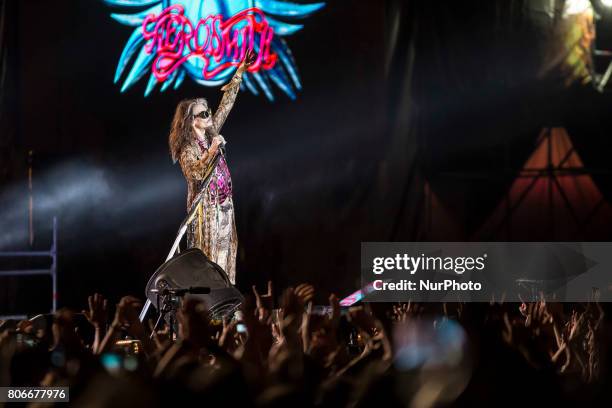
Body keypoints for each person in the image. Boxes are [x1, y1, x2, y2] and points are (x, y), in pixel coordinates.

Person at [168, 51, 255, 284]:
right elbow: (194, 172)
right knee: (209, 260)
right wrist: (213, 149)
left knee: (226, 257)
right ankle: (208, 312)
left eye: (208, 111)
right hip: (206, 211)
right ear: (192, 121)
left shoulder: (211, 133)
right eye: (203, 114)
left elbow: (226, 105)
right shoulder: (188, 147)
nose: (209, 116)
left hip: (225, 205)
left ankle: (227, 309)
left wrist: (239, 72)